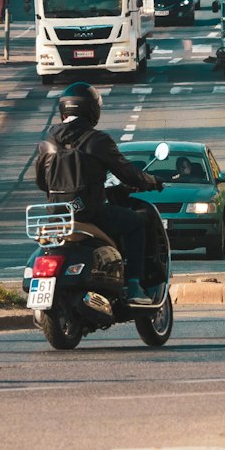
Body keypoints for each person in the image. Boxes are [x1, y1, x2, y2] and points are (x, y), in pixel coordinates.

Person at [34, 82, 163, 304]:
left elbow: (41, 181)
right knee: (136, 223)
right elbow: (127, 173)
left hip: (58, 215)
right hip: (91, 214)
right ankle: (133, 284)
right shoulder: (97, 140)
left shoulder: (47, 141)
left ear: (63, 109)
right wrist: (152, 182)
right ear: (92, 110)